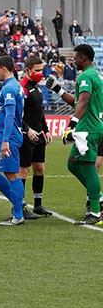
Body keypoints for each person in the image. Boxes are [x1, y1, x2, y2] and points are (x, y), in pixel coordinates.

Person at [46, 44, 103, 225]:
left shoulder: (87, 76)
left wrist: (72, 125)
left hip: (89, 129)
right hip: (90, 127)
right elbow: (78, 101)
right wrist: (58, 89)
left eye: (76, 57)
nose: (74, 60)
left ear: (84, 58)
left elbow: (83, 103)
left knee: (87, 167)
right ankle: (98, 199)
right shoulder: (92, 74)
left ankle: (95, 212)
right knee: (73, 164)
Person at [0, 56, 26, 226]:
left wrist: (6, 141)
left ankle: (18, 214)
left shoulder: (10, 88)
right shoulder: (11, 86)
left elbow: (9, 115)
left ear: (4, 68)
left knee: (11, 174)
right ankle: (18, 204)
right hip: (1, 137)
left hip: (8, 137)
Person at [19, 55, 53, 218]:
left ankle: (38, 205)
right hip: (26, 135)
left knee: (39, 169)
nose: (41, 73)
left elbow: (40, 112)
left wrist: (45, 130)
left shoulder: (38, 87)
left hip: (39, 135)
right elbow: (18, 113)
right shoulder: (22, 87)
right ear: (28, 70)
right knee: (23, 171)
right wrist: (27, 129)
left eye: (42, 70)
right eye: (37, 70)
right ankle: (21, 207)